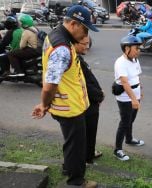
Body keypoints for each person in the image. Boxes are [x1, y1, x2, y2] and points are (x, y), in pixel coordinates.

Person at [31, 5, 99, 187]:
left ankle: (69, 169)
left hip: (71, 105)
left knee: (72, 143)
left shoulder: (56, 35)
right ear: (74, 24)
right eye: (85, 29)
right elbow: (49, 85)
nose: (85, 36)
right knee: (76, 146)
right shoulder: (62, 48)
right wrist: (43, 105)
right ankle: (76, 182)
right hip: (70, 108)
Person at [74, 35, 104, 165]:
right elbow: (84, 84)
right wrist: (99, 95)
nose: (87, 46)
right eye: (84, 43)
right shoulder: (75, 61)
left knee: (90, 132)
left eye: (88, 43)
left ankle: (89, 154)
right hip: (87, 103)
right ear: (74, 43)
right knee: (88, 132)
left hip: (91, 101)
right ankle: (87, 159)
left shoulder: (78, 58)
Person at [113, 35, 145, 161]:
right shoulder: (120, 63)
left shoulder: (135, 60)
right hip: (126, 97)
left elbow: (137, 76)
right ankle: (117, 149)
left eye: (139, 48)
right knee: (125, 122)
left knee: (131, 119)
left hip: (135, 94)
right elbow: (125, 83)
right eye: (136, 48)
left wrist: (140, 90)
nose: (139, 50)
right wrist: (133, 99)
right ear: (127, 49)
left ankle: (129, 139)